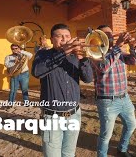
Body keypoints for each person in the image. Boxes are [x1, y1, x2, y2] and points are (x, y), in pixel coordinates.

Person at [32, 23, 93, 157]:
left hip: (74, 115)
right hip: (52, 117)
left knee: (69, 154)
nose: (64, 39)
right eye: (60, 36)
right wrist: (63, 53)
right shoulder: (43, 54)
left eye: (67, 36)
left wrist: (82, 58)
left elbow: (88, 78)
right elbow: (37, 72)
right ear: (51, 39)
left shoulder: (76, 56)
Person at [92, 25, 136, 157]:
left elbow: (134, 61)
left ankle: (122, 149)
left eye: (111, 33)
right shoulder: (95, 53)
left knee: (131, 124)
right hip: (107, 101)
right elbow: (104, 67)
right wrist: (118, 45)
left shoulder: (118, 52)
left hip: (124, 97)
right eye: (107, 34)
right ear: (99, 37)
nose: (111, 36)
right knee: (106, 135)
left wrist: (133, 46)